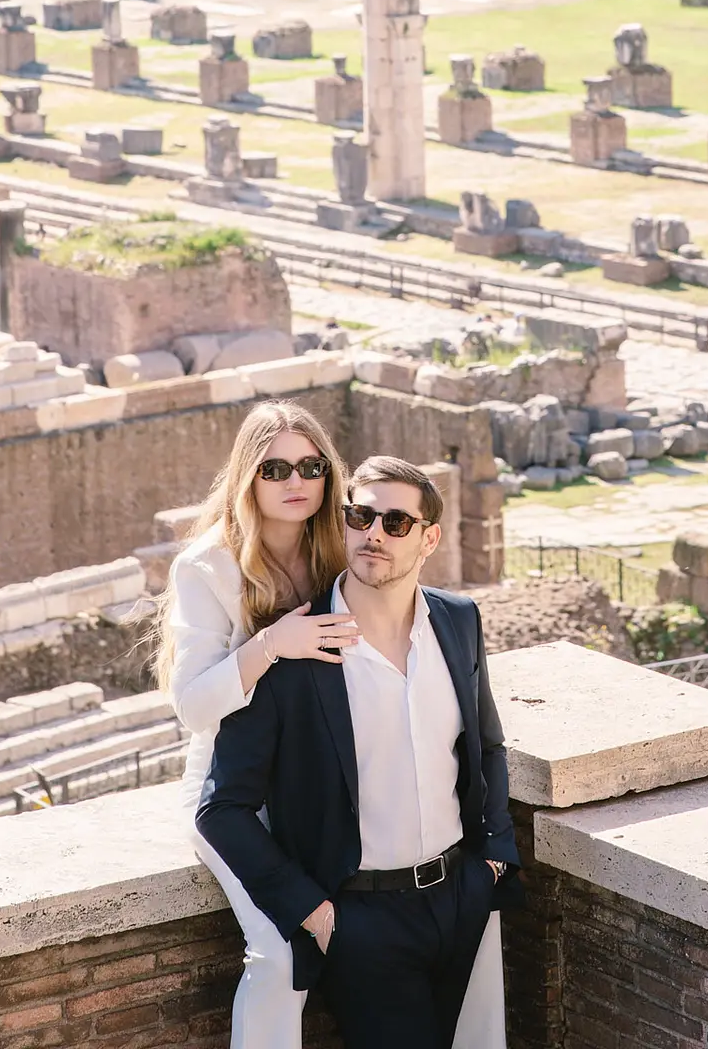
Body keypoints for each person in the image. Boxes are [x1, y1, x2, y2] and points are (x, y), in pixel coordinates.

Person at [197, 455, 519, 1049]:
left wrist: (493, 860)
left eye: (396, 523)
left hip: (460, 897)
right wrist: (317, 916)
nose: (374, 533)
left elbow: (487, 745)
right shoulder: (291, 647)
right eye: (360, 515)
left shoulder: (458, 620)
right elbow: (222, 809)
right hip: (361, 919)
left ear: (429, 539)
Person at [160, 400, 359, 1049]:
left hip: (321, 782)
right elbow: (190, 706)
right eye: (274, 469)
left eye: (310, 465)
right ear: (247, 476)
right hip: (230, 793)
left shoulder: (339, 548)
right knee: (278, 951)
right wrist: (272, 643)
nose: (295, 481)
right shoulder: (206, 567)